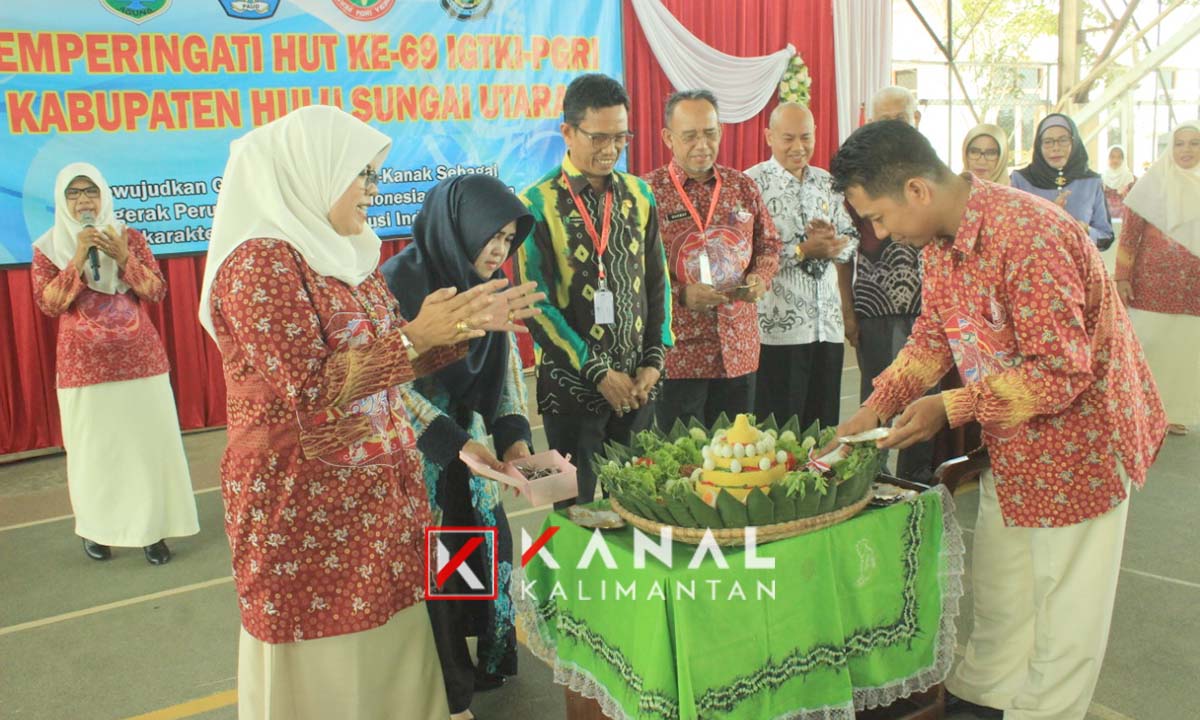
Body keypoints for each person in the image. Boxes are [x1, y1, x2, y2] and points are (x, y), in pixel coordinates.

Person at [831, 120, 1166, 720]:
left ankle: (1045, 712)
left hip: (1083, 443)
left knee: (1065, 604)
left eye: (878, 217)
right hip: (1013, 439)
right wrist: (875, 407)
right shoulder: (940, 245)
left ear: (916, 190)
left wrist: (950, 407)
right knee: (1003, 585)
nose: (878, 233)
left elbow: (1061, 371)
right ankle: (984, 699)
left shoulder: (1028, 235)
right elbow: (932, 339)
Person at [199, 105, 506, 720]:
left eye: (375, 175)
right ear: (311, 170)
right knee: (330, 668)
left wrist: (455, 330)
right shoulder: (259, 262)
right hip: (305, 509)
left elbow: (386, 366)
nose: (373, 189)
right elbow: (311, 387)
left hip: (377, 503)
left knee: (390, 651)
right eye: (361, 174)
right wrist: (414, 337)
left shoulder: (346, 256)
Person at [379, 175, 543, 720]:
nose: (499, 250)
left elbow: (508, 365)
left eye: (508, 239)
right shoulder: (395, 284)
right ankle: (449, 692)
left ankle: (484, 663)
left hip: (472, 449)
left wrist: (514, 438)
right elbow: (387, 386)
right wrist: (452, 441)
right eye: (491, 236)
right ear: (459, 227)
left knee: (482, 552)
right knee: (437, 574)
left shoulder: (490, 283)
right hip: (418, 454)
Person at [515, 73, 672, 508]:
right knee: (573, 511)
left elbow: (657, 282)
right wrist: (598, 372)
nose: (610, 149)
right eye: (598, 137)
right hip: (570, 390)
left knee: (641, 506)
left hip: (637, 386)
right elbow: (534, 305)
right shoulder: (535, 203)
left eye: (620, 137)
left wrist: (654, 361)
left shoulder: (640, 195)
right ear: (567, 131)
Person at [31, 162, 198, 565]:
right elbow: (50, 304)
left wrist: (125, 258)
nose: (84, 200)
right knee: (95, 454)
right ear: (62, 200)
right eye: (74, 193)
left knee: (146, 449)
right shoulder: (48, 247)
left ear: (104, 195)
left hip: (141, 363)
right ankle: (97, 529)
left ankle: (152, 531)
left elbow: (156, 291)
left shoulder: (130, 238)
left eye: (90, 191)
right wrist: (77, 258)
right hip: (83, 369)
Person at [643, 89, 780, 428]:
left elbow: (769, 245)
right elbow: (635, 271)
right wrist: (681, 294)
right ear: (668, 138)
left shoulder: (742, 186)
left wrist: (760, 278)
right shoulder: (648, 193)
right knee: (682, 454)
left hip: (739, 348)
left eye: (709, 133)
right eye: (690, 136)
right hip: (680, 354)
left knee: (738, 450)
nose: (702, 144)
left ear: (721, 131)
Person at [839, 87, 932, 482]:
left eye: (900, 119)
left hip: (928, 309)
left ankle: (918, 482)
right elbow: (844, 250)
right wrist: (848, 310)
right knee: (878, 396)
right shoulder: (857, 181)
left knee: (923, 401)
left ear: (916, 119)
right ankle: (871, 482)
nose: (881, 229)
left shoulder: (933, 172)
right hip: (874, 305)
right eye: (883, 121)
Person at [746, 102, 858, 430]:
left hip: (827, 328)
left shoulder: (827, 183)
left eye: (806, 137)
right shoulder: (751, 184)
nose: (799, 147)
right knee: (778, 433)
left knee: (822, 430)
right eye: (789, 138)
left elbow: (852, 238)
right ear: (769, 136)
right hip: (776, 333)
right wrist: (801, 250)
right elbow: (744, 256)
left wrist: (834, 245)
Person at [1115, 122, 1200, 436]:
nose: (1186, 150)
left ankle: (1175, 411)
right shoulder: (1150, 185)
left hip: (1193, 288)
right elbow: (1129, 235)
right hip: (1149, 286)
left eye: (1194, 143)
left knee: (1184, 348)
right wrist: (1122, 277)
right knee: (1149, 346)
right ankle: (1145, 411)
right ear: (1170, 148)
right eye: (1180, 143)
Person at [1011, 113, 1114, 249]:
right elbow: (1011, 233)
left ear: (1074, 142)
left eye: (1063, 140)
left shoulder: (1091, 182)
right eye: (1048, 142)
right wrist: (1048, 217)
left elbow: (1106, 236)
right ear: (1039, 145)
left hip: (1078, 261)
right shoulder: (1021, 180)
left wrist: (1085, 230)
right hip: (1033, 261)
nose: (1056, 148)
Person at [1103, 144, 1136, 222]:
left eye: (1119, 157)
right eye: (1112, 157)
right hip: (1104, 218)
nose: (1115, 160)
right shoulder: (1101, 178)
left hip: (1125, 218)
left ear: (1123, 160)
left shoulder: (1130, 178)